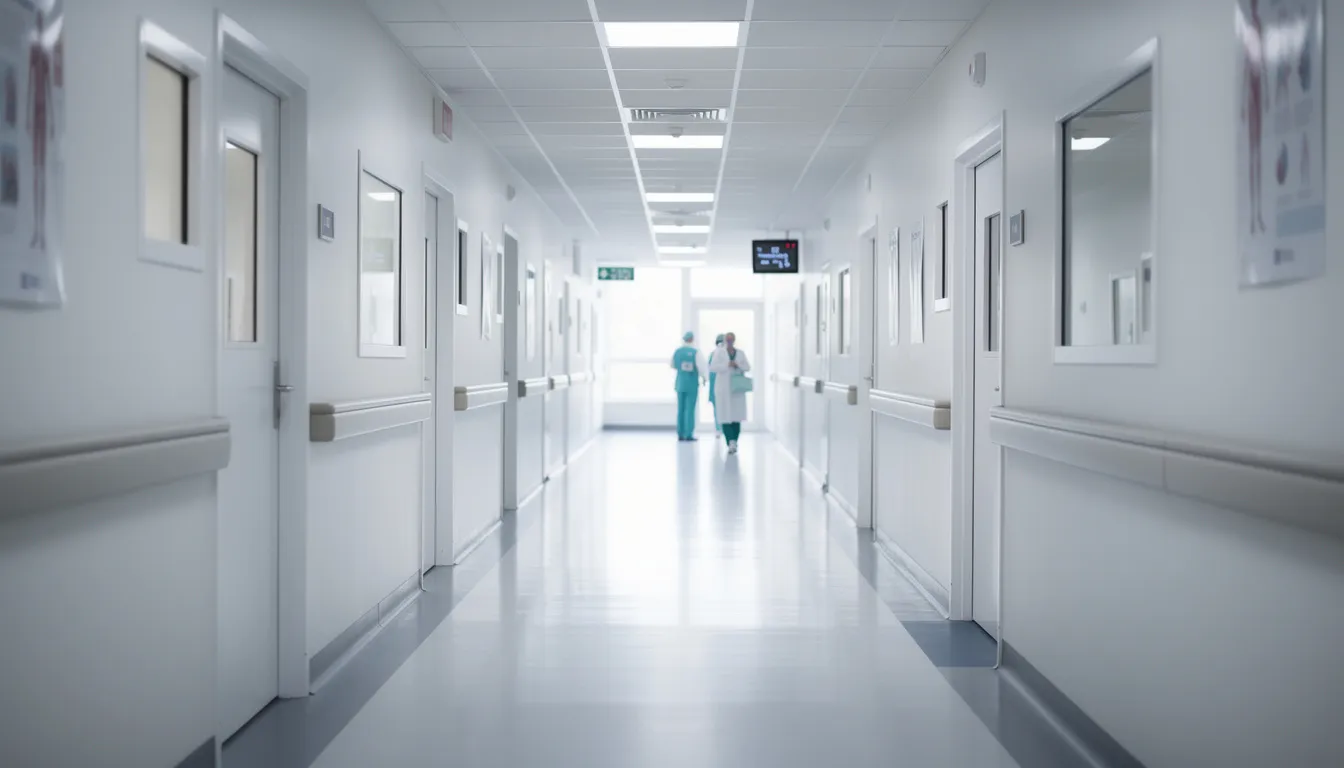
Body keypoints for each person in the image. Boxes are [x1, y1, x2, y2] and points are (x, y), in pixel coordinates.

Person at [709, 332, 751, 454]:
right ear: (724, 340)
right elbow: (713, 367)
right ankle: (730, 442)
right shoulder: (718, 352)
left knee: (736, 416)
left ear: (734, 340)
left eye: (731, 339)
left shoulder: (740, 353)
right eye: (727, 339)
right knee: (725, 416)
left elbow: (747, 367)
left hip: (736, 389)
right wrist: (726, 365)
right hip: (723, 388)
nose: (729, 341)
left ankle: (734, 441)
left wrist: (737, 364)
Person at [670, 331, 706, 442]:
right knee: (689, 409)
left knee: (680, 409)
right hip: (691, 384)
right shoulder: (695, 352)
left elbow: (673, 365)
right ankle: (688, 434)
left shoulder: (677, 352)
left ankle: (680, 434)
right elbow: (701, 368)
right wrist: (705, 378)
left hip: (680, 383)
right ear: (692, 339)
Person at [706, 334, 725, 433]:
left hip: (723, 385)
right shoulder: (713, 355)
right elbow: (709, 369)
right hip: (715, 385)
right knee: (717, 408)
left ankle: (722, 428)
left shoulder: (727, 354)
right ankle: (718, 428)